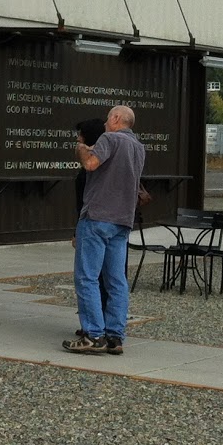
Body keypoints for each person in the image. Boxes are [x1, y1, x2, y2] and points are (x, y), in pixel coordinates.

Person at [64, 104, 146, 356]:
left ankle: (93, 334)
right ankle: (115, 335)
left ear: (117, 118)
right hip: (123, 220)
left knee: (87, 276)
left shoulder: (109, 138)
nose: (105, 124)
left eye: (109, 118)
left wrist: (80, 150)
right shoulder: (139, 147)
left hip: (98, 216)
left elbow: (91, 164)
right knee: (116, 280)